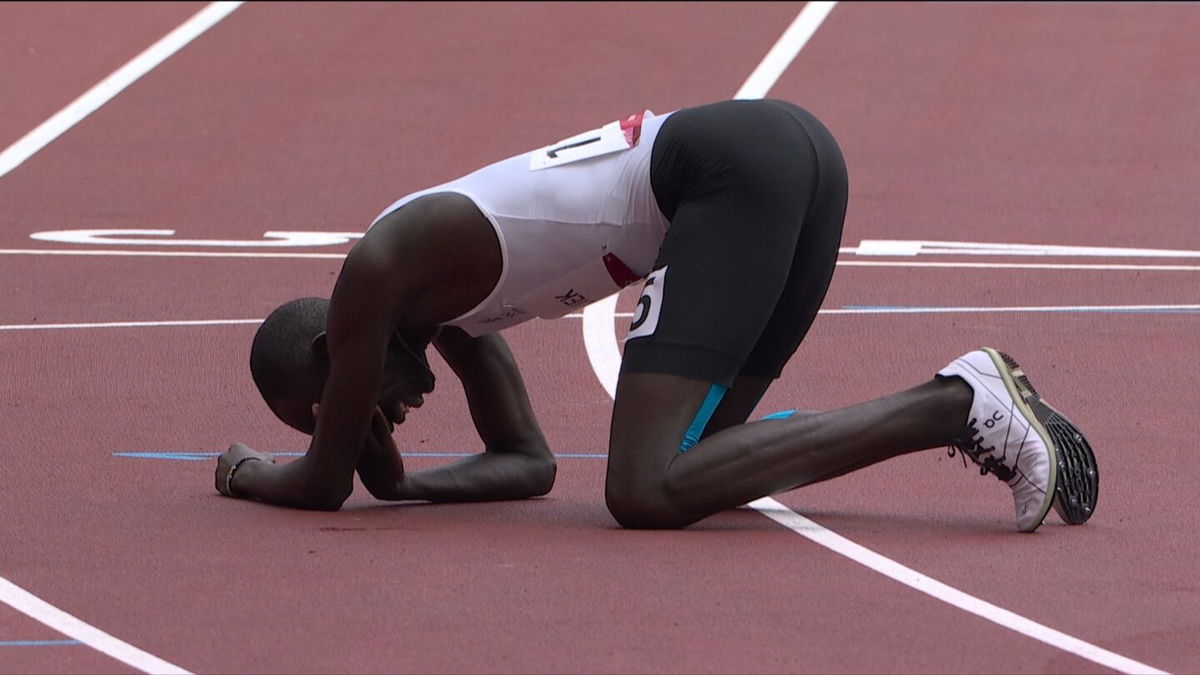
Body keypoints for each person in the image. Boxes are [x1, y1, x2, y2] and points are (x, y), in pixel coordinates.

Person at [215, 99, 1098, 532]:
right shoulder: (446, 314)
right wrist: (406, 485)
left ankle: (955, 402)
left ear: (340, 350)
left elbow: (322, 485)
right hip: (780, 160)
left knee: (643, 487)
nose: (371, 418)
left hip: (726, 175)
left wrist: (253, 470)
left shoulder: (378, 268)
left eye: (333, 408)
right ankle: (962, 404)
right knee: (699, 465)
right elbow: (528, 464)